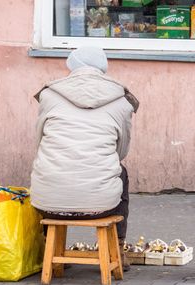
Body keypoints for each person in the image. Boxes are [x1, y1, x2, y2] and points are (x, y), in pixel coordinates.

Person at [31, 46, 139, 270]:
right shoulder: (121, 99)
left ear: (71, 65)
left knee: (47, 167)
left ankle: (45, 251)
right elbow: (121, 150)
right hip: (103, 205)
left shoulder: (49, 94)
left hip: (48, 205)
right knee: (121, 171)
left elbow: (40, 141)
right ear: (103, 68)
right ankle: (117, 247)